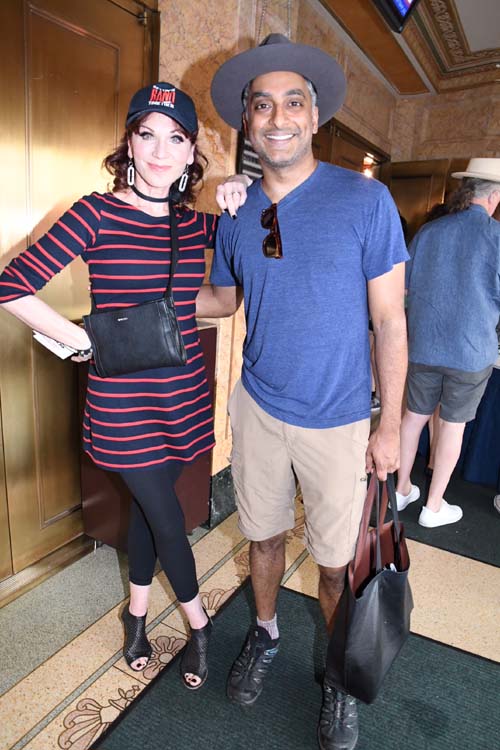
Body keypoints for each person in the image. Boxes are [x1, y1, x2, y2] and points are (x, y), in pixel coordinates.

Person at [197, 34, 408, 750]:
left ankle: (340, 677)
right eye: (263, 105)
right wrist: (154, 299)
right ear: (248, 122)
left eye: (293, 102)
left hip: (340, 419)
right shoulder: (237, 209)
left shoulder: (366, 199)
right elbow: (222, 301)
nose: (278, 117)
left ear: (312, 116)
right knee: (260, 539)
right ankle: (264, 633)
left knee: (332, 563)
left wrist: (389, 429)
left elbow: (389, 319)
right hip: (258, 408)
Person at [0, 82, 247, 690]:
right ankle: (200, 626)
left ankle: (135, 617)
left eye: (176, 139)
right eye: (148, 135)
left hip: (182, 392)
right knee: (170, 522)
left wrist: (250, 197)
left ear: (192, 152)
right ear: (129, 144)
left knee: (145, 510)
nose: (161, 152)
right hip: (123, 404)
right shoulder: (96, 212)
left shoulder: (198, 226)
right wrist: (84, 341)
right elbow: (12, 286)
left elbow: (241, 276)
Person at [395, 158, 500, 527]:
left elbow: (404, 287)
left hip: (423, 345)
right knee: (453, 426)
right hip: (471, 352)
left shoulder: (430, 231)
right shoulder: (497, 237)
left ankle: (402, 487)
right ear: (494, 196)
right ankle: (434, 506)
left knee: (413, 418)